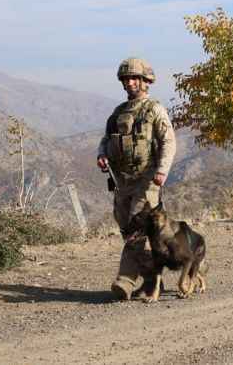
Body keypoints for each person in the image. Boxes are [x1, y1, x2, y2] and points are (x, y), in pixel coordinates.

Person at [96, 57, 176, 300]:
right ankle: (154, 278)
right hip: (122, 180)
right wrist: (101, 155)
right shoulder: (118, 112)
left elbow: (168, 141)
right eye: (126, 79)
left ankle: (126, 280)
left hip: (147, 178)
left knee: (136, 228)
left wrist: (162, 170)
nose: (130, 82)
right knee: (126, 227)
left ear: (145, 81)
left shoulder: (154, 109)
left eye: (134, 78)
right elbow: (106, 139)